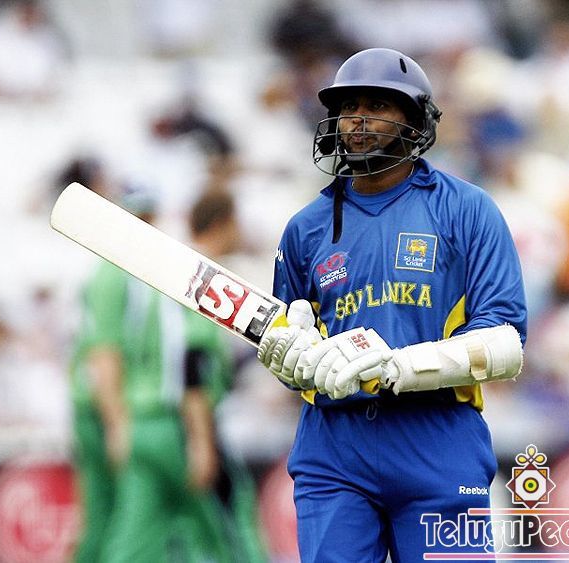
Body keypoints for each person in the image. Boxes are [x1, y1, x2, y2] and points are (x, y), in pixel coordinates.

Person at [257, 48, 527, 562]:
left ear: (416, 118)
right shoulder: (305, 229)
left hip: (438, 439)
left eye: (377, 105)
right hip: (334, 449)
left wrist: (398, 366)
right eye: (348, 107)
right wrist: (288, 360)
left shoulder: (467, 209)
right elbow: (292, 345)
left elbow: (506, 342)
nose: (358, 119)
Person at [70, 185, 233, 563]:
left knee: (124, 527)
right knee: (208, 526)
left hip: (124, 408)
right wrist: (117, 423)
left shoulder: (127, 270)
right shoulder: (123, 272)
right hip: (133, 412)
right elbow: (107, 354)